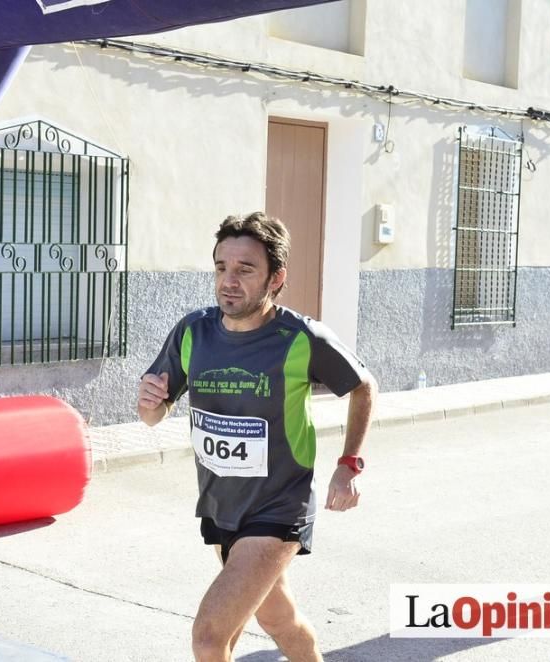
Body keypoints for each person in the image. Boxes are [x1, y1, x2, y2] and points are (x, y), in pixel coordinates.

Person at [137, 212, 376, 662]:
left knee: (210, 638)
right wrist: (150, 402)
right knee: (279, 619)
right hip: (221, 506)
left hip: (277, 509)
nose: (229, 280)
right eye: (221, 267)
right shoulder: (194, 331)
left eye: (245, 269)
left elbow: (363, 386)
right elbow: (152, 414)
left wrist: (349, 465)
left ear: (275, 278)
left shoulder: (300, 337)